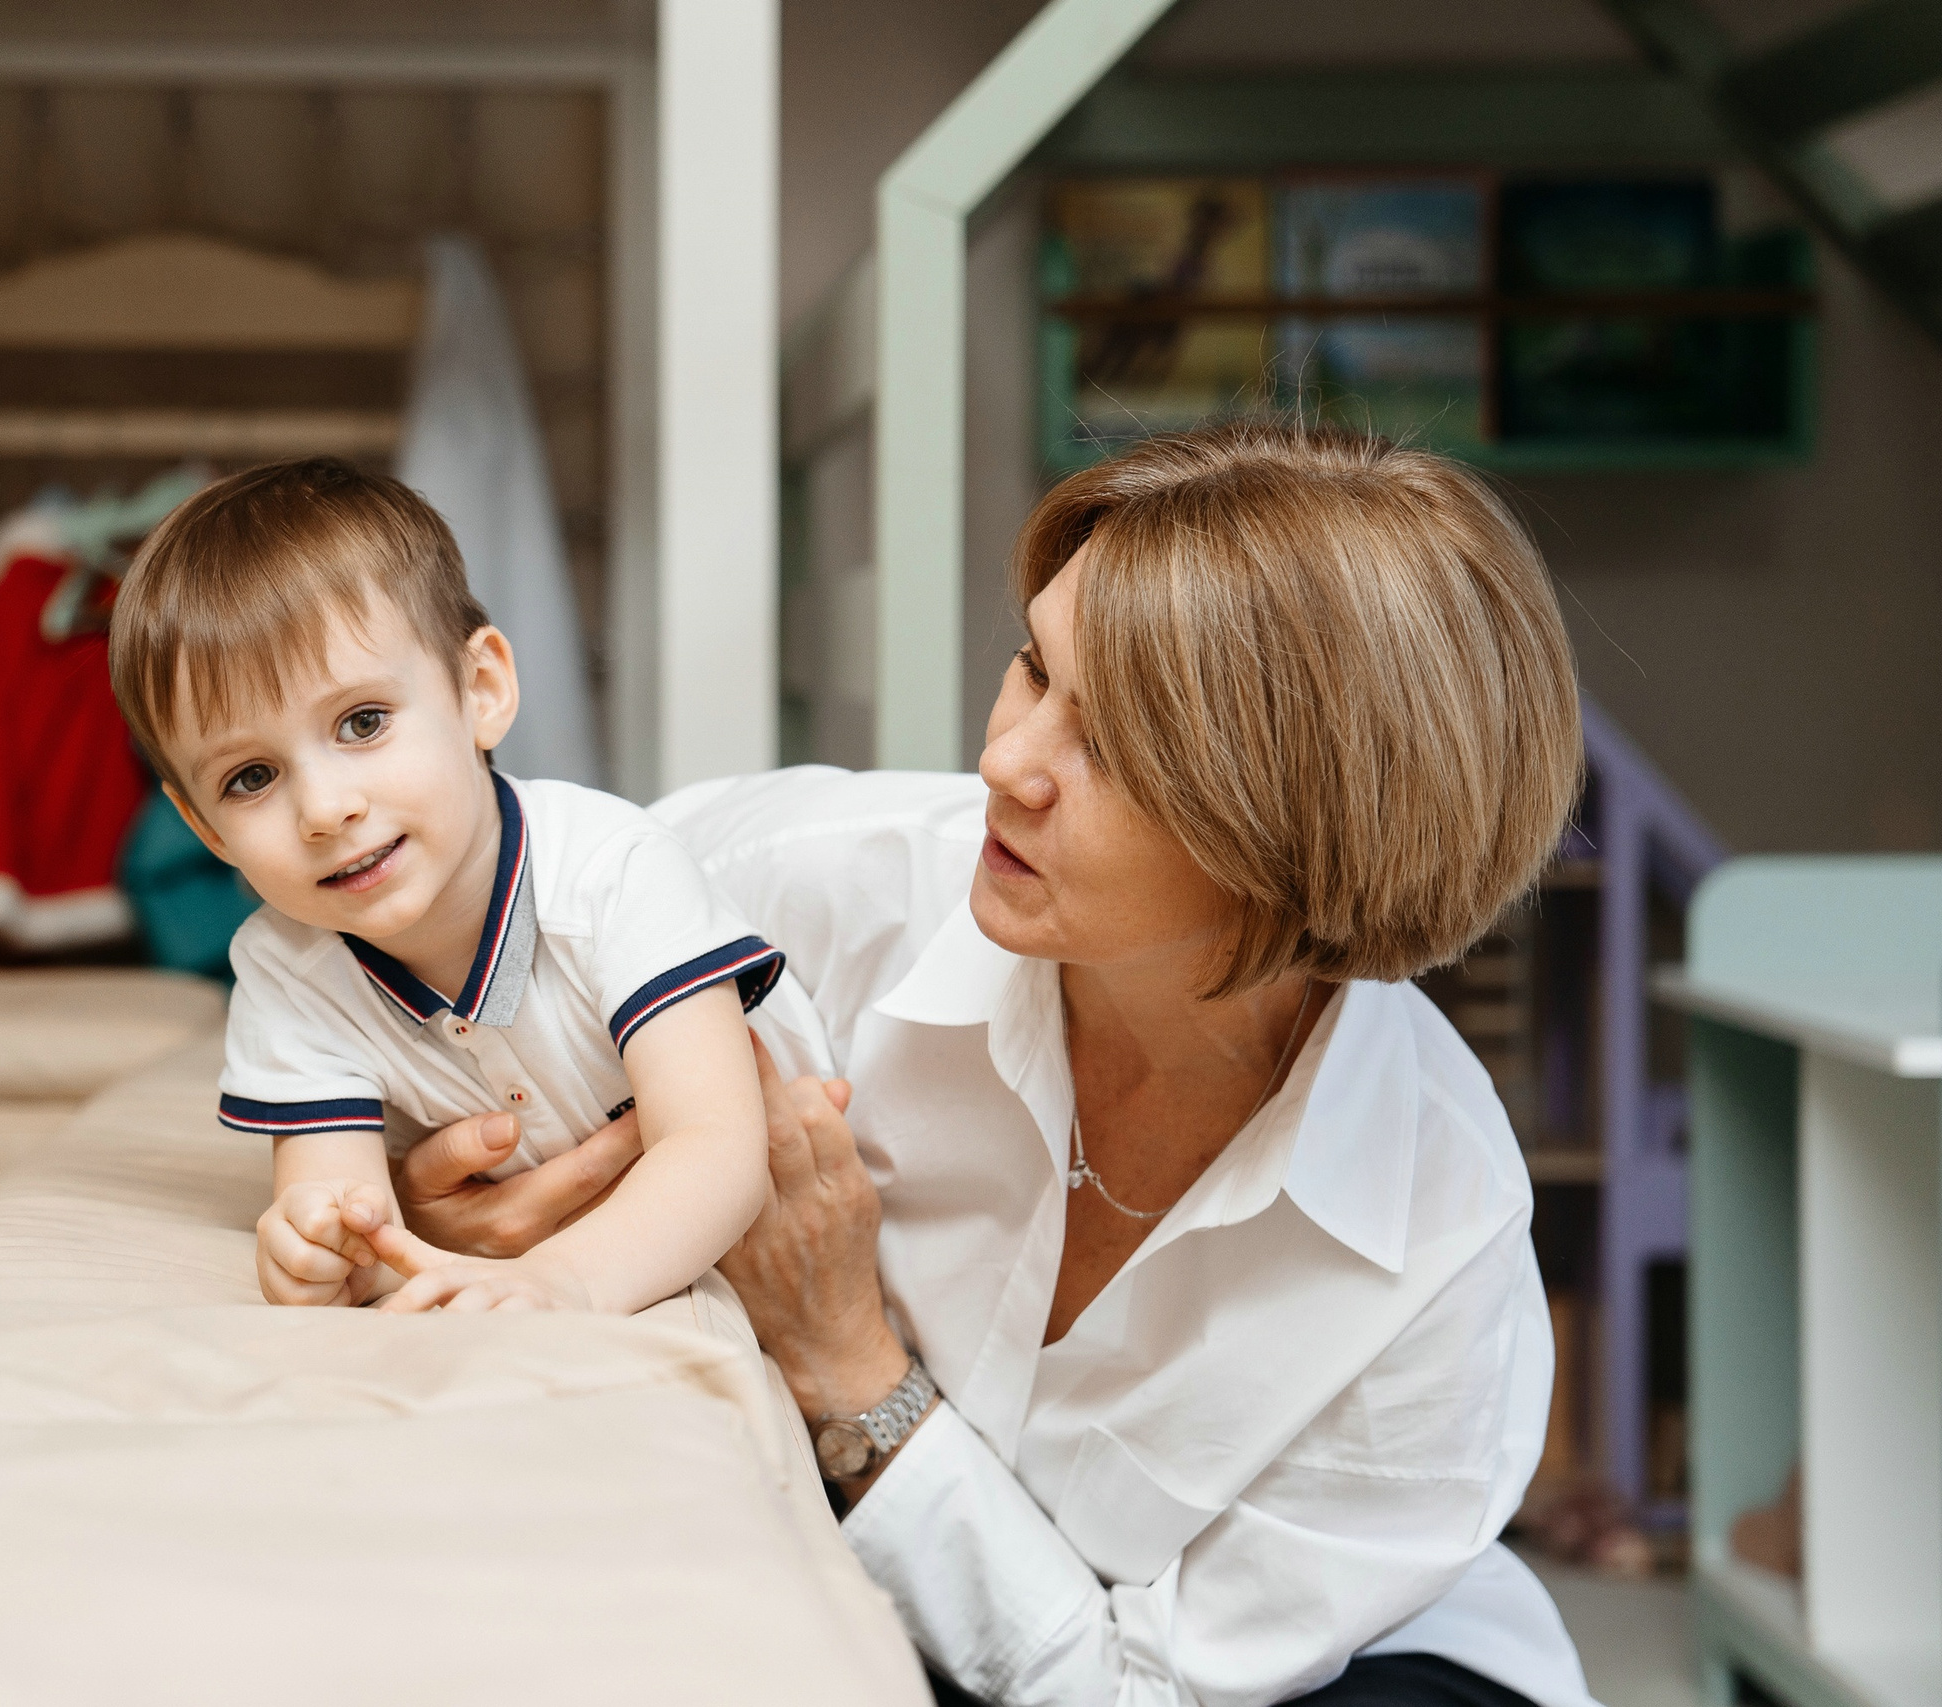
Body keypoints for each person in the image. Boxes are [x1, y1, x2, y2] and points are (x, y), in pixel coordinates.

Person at [382, 421, 1600, 1707]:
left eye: (1117, 746)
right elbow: (455, 1002)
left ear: (1300, 837)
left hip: (1316, 1677)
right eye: (1032, 668)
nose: (1005, 763)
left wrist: (852, 1363)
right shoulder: (774, 890)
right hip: (909, 1608)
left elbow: (1139, 1693)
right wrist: (449, 1182)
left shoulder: (1435, 1251)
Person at [110, 457, 803, 1315]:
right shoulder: (287, 968)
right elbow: (347, 1204)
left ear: (482, 690)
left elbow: (718, 1147)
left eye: (362, 723)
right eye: (251, 777)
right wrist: (324, 1245)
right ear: (206, 828)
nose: (325, 810)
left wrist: (562, 1279)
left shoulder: (610, 868)